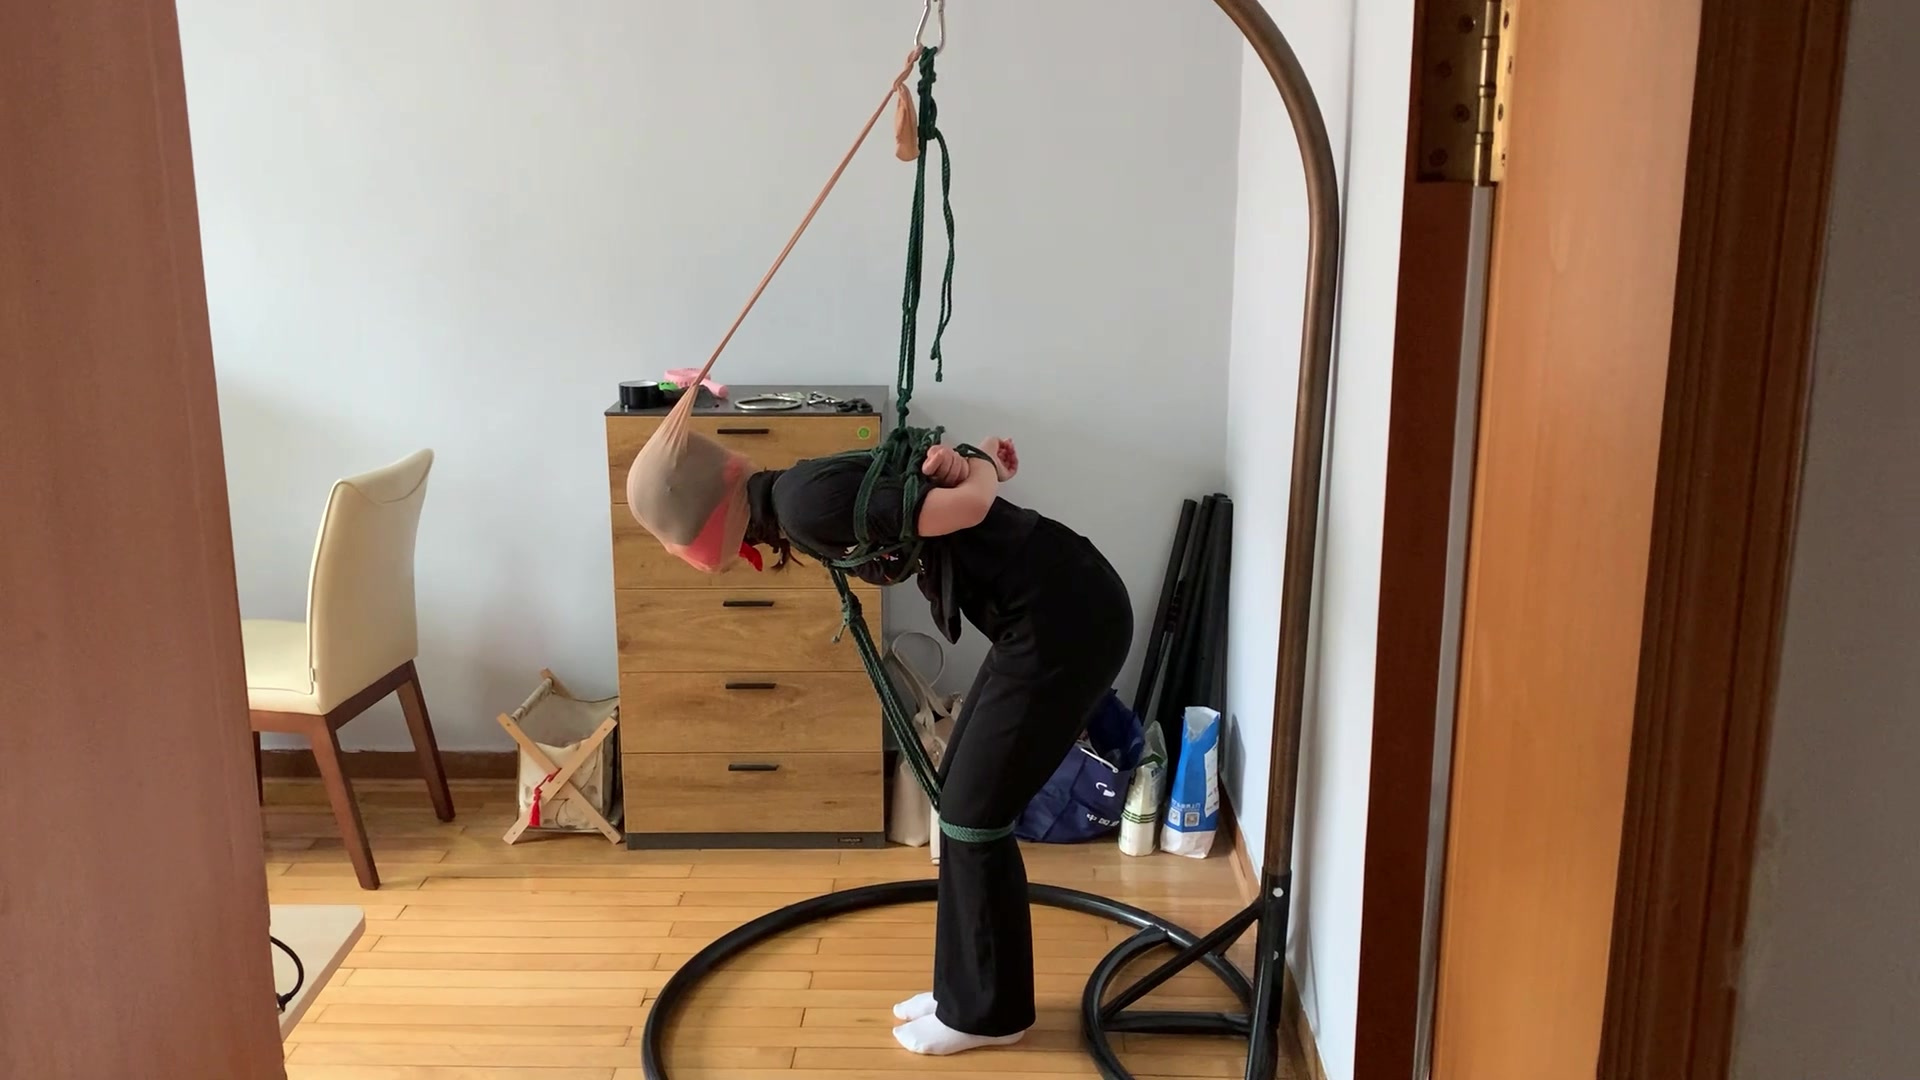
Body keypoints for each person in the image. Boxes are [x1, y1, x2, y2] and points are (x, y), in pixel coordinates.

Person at [627, 429, 1132, 1056]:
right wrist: (969, 465)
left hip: (1067, 621)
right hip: (1042, 614)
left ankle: (988, 1015)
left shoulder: (803, 506)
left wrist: (976, 464)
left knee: (975, 816)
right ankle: (963, 993)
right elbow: (930, 491)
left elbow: (970, 506)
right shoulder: (797, 495)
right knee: (959, 804)